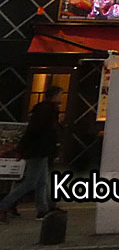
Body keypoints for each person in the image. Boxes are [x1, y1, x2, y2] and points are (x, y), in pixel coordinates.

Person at [0, 86, 64, 222]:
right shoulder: (45, 110)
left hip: (42, 150)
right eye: (60, 95)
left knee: (42, 181)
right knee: (31, 182)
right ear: (54, 95)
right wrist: (22, 147)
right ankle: (3, 205)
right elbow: (34, 131)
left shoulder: (47, 110)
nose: (61, 98)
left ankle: (43, 210)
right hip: (38, 150)